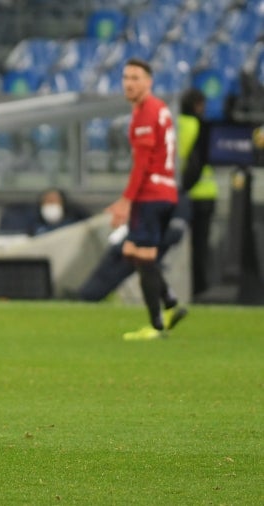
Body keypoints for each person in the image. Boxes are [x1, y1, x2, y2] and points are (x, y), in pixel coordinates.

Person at [104, 58, 188, 341]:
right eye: (126, 77)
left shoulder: (145, 113)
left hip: (150, 194)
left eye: (136, 78)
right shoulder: (159, 108)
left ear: (149, 82)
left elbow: (142, 162)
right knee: (132, 251)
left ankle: (156, 325)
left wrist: (126, 201)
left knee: (143, 256)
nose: (129, 83)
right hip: (166, 191)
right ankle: (171, 302)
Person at [78, 193, 190, 302]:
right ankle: (84, 295)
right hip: (131, 241)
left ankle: (88, 297)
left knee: (119, 272)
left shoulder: (179, 199)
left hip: (147, 247)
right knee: (106, 268)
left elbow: (175, 232)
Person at [177, 88, 218, 297]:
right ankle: (200, 290)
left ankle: (182, 290)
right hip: (203, 193)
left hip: (179, 194)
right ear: (198, 105)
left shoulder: (176, 125)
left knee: (176, 246)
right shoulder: (201, 126)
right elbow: (203, 160)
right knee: (200, 246)